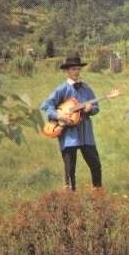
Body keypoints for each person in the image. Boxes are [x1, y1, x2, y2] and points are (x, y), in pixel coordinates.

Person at [40, 53, 103, 190]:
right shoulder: (62, 89)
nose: (76, 72)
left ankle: (98, 194)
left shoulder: (87, 89)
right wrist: (60, 116)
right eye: (73, 69)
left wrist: (90, 108)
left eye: (78, 69)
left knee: (96, 164)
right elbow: (46, 106)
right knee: (70, 169)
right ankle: (69, 198)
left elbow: (96, 108)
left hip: (86, 134)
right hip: (69, 136)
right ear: (67, 71)